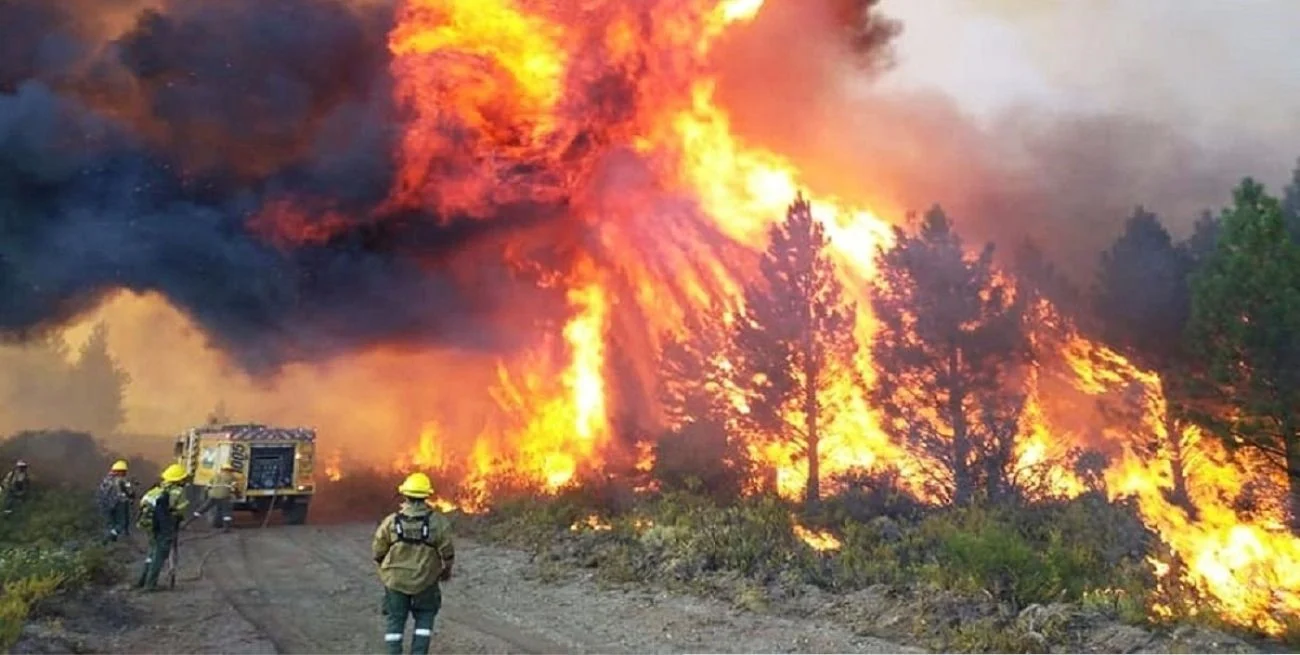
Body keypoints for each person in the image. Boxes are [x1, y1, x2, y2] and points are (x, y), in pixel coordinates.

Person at [372, 472, 455, 655]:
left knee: (395, 620)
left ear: (405, 495)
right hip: (425, 581)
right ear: (427, 496)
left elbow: (378, 550)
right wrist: (446, 570)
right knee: (425, 618)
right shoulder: (438, 523)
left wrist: (384, 568)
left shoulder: (391, 522)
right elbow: (447, 552)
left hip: (395, 582)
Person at [136, 464, 190, 591]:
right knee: (159, 554)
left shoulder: (155, 489)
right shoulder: (178, 491)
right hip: (165, 526)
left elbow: (142, 504)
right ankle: (150, 585)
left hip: (148, 525)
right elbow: (180, 510)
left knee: (152, 552)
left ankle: (142, 581)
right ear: (179, 479)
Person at [192, 463, 241, 531]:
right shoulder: (232, 477)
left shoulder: (215, 476)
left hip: (213, 496)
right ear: (230, 470)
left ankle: (188, 522)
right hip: (224, 496)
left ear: (222, 469)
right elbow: (235, 488)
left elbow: (208, 486)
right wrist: (238, 495)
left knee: (203, 509)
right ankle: (226, 528)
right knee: (226, 512)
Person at [97, 460, 136, 541]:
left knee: (111, 523)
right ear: (121, 471)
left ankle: (109, 540)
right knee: (122, 523)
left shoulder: (106, 479)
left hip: (105, 504)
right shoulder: (122, 479)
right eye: (124, 471)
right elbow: (130, 491)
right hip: (119, 503)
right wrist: (132, 494)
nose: (125, 473)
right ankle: (112, 537)